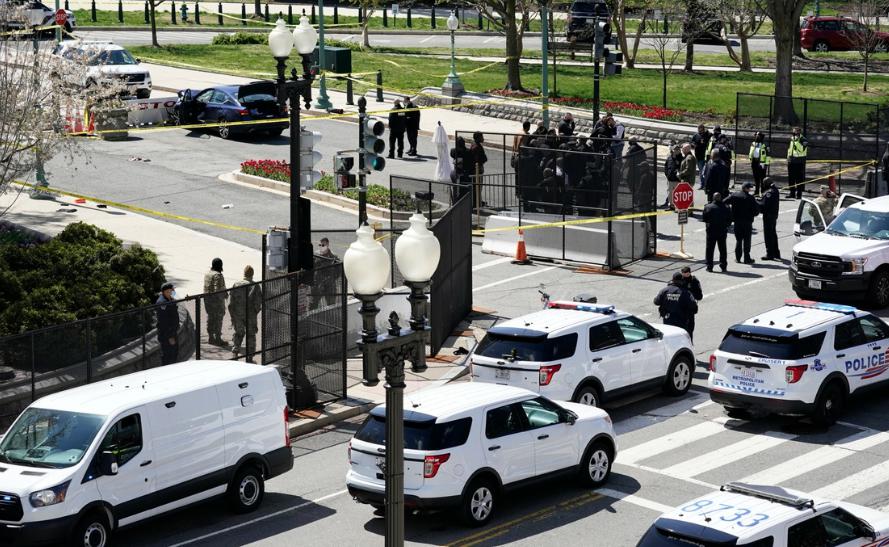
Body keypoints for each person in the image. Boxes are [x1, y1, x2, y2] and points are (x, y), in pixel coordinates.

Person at [228, 266, 262, 362]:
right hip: (250, 315)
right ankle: (249, 357)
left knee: (238, 333)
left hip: (238, 314)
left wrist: (232, 315)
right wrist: (255, 312)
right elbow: (258, 303)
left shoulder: (236, 284)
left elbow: (230, 303)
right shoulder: (255, 286)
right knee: (251, 335)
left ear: (244, 273)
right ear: (252, 274)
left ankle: (235, 353)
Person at [724, 181, 760, 264]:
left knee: (738, 240)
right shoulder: (750, 198)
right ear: (745, 188)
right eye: (749, 188)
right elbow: (756, 211)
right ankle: (747, 258)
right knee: (747, 240)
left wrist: (730, 212)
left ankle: (738, 258)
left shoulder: (734, 195)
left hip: (737, 221)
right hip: (747, 222)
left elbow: (724, 202)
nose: (750, 189)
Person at [702, 192, 732, 272]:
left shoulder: (708, 207)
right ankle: (723, 266)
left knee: (710, 249)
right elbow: (730, 220)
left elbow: (704, 219)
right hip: (722, 230)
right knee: (722, 249)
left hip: (711, 231)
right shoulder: (726, 207)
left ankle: (709, 266)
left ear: (713, 198)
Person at [203, 257, 227, 346]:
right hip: (216, 301)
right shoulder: (218, 275)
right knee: (218, 319)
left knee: (210, 318)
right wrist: (224, 296)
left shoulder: (207, 274)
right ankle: (218, 338)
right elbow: (218, 290)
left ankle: (210, 337)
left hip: (207, 300)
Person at [312, 237, 340, 310]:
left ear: (327, 245)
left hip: (330, 285)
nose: (321, 247)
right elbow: (311, 268)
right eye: (320, 245)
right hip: (318, 284)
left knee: (331, 305)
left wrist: (332, 278)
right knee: (313, 304)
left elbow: (338, 271)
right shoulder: (316, 255)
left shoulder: (333, 257)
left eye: (323, 245)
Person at [758, 177, 781, 261]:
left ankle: (770, 253)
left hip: (768, 216)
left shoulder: (769, 193)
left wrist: (756, 202)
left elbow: (764, 205)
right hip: (773, 215)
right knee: (773, 234)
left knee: (768, 235)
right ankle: (776, 253)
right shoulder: (775, 190)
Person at [156, 282, 179, 365]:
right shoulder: (162, 303)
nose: (173, 291)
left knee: (174, 354)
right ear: (165, 291)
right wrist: (170, 336)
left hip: (172, 332)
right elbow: (163, 322)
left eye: (172, 290)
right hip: (167, 335)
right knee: (168, 356)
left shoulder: (170, 299)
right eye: (171, 290)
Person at [679, 266, 703, 341]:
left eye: (687, 273)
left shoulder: (694, 281)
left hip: (690, 307)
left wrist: (690, 296)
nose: (685, 275)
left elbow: (699, 295)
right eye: (683, 274)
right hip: (681, 307)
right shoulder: (679, 280)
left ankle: (690, 342)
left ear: (690, 273)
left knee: (690, 328)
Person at [787, 126, 809, 199]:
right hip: (791, 161)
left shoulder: (803, 139)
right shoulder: (792, 139)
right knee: (791, 178)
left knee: (799, 179)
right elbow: (790, 149)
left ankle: (799, 194)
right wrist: (788, 158)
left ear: (799, 132)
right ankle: (792, 193)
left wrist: (799, 142)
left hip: (799, 162)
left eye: (795, 131)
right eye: (793, 131)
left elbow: (803, 148)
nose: (793, 132)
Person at [748, 131, 770, 196]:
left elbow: (768, 156)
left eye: (758, 135)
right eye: (756, 135)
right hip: (754, 162)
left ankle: (763, 192)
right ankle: (756, 192)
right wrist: (751, 160)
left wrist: (766, 164)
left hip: (762, 163)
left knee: (762, 178)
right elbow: (751, 153)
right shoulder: (753, 143)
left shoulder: (765, 145)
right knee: (756, 178)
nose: (757, 136)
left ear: (761, 137)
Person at [692, 124, 712, 189]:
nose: (699, 129)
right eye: (698, 128)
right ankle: (702, 184)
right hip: (698, 156)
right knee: (701, 171)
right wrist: (693, 145)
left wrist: (707, 132)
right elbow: (692, 142)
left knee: (706, 171)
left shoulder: (707, 134)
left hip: (706, 156)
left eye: (700, 128)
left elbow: (711, 136)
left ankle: (705, 184)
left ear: (703, 128)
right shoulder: (696, 135)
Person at [664, 145, 682, 209]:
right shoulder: (669, 158)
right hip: (670, 179)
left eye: (678, 149)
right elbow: (666, 167)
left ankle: (677, 206)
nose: (677, 150)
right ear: (672, 150)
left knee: (677, 194)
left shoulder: (681, 158)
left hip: (677, 180)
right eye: (675, 149)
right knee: (670, 193)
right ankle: (671, 206)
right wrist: (667, 174)